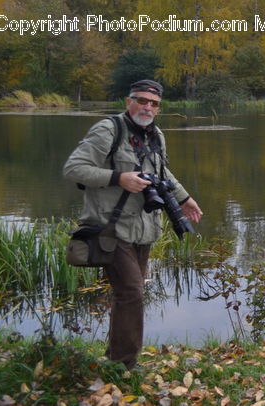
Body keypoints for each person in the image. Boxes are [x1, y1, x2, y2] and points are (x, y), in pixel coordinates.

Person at [63, 79, 203, 369]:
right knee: (131, 292)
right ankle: (125, 362)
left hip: (145, 227)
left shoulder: (156, 135)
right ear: (128, 101)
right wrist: (118, 177)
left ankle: (117, 356)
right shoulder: (108, 130)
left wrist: (185, 198)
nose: (147, 107)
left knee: (130, 292)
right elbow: (74, 168)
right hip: (110, 228)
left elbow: (163, 172)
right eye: (141, 100)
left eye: (153, 104)